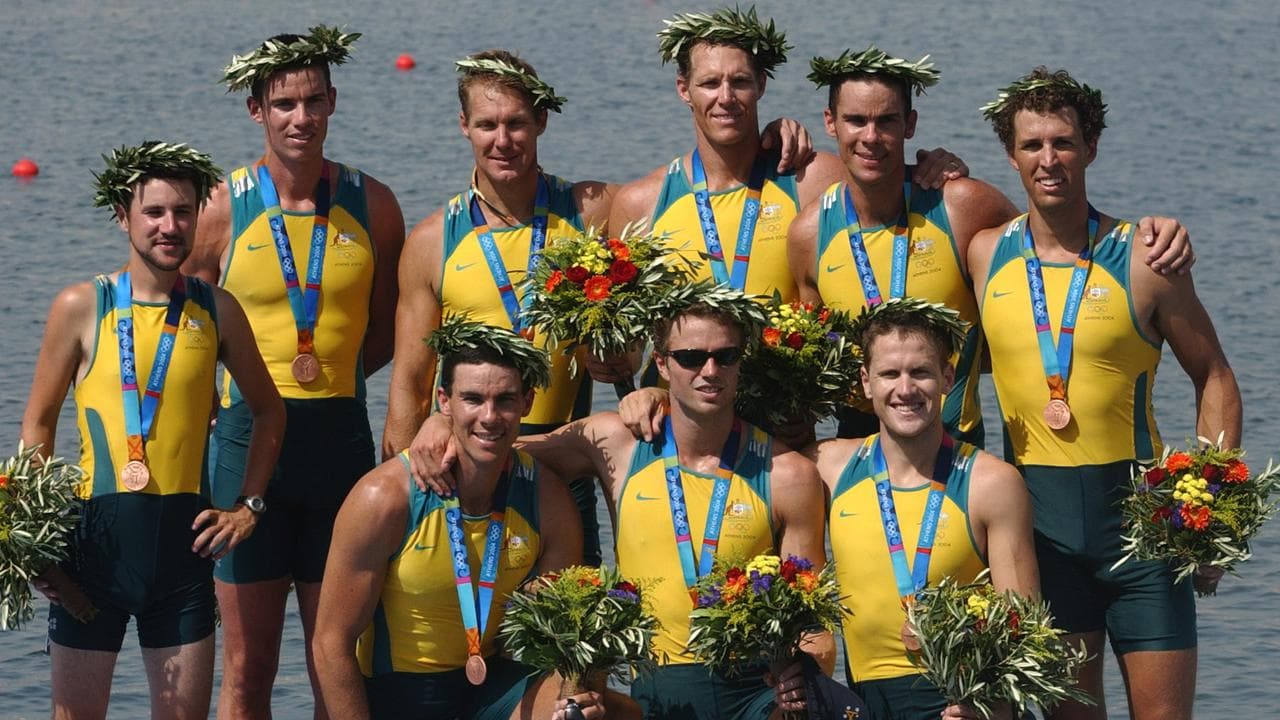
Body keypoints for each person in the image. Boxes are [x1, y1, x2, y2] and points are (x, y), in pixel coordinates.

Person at [410, 285, 829, 720]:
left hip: (757, 694)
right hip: (653, 693)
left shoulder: (788, 475)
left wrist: (804, 675)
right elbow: (498, 445)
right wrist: (443, 423)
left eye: (726, 356)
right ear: (661, 363)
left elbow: (816, 629)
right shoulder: (619, 443)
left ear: (742, 361)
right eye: (690, 357)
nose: (710, 371)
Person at [969, 68, 1242, 720]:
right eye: (1032, 145)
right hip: (1041, 535)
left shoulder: (1146, 258)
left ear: (1090, 147)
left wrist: (1211, 514)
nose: (1049, 159)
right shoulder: (983, 255)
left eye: (1063, 142)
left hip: (1142, 534)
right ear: (1011, 154)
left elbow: (1215, 377)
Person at [792, 47, 1196, 443]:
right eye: (856, 120)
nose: (870, 137)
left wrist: (1149, 236)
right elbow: (809, 372)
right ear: (830, 122)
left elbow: (1051, 251)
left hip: (959, 460)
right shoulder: (809, 235)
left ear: (910, 124)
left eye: (886, 121)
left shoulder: (963, 207)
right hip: (857, 459)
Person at [181, 26, 406, 719]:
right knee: (248, 668)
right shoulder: (219, 207)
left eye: (312, 101)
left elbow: (386, 332)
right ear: (257, 109)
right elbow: (184, 335)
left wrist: (328, 377)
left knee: (335, 658)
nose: (300, 118)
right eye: (283, 104)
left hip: (339, 441)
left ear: (333, 101)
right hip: (245, 447)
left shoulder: (374, 204)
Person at [20, 142, 284, 720]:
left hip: (183, 559)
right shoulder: (81, 305)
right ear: (123, 215)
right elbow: (39, 421)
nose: (170, 226)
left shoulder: (217, 309)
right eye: (154, 212)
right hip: (91, 554)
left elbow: (269, 410)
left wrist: (249, 507)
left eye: (183, 212)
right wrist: (33, 539)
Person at [315, 319, 638, 720]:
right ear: (444, 401)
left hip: (493, 685)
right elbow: (331, 644)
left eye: (505, 400)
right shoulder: (383, 498)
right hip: (401, 691)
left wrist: (582, 692)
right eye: (472, 399)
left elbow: (561, 636)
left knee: (603, 709)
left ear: (527, 403)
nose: (489, 416)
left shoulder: (547, 498)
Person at [382, 50, 611, 565]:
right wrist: (399, 493)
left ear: (542, 120)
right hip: (466, 467)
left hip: (560, 466)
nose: (502, 141)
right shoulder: (432, 241)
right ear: (464, 125)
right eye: (487, 125)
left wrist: (774, 141)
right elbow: (410, 384)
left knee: (567, 615)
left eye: (516, 123)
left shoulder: (591, 214)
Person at [608, 9, 968, 307]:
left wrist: (940, 169)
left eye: (740, 82)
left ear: (761, 85)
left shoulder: (812, 177)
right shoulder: (640, 204)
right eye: (710, 83)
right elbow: (623, 343)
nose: (726, 97)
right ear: (683, 89)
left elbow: (878, 169)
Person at [805, 300, 1038, 720]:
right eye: (889, 374)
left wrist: (994, 709)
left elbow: (1025, 627)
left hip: (960, 700)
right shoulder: (829, 468)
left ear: (947, 377)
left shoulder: (991, 483)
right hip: (864, 701)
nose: (906, 389)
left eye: (921, 372)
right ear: (866, 382)